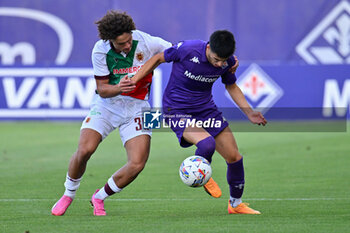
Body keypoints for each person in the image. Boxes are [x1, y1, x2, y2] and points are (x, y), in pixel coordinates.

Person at [51, 10, 172, 216]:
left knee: (138, 163)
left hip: (140, 107)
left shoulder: (147, 41)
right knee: (85, 150)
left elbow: (178, 51)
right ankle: (68, 194)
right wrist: (120, 88)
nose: (126, 45)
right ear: (110, 40)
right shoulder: (100, 50)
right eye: (121, 43)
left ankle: (99, 197)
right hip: (106, 105)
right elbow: (102, 89)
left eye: (128, 40)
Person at [132, 30, 267, 214]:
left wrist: (249, 113)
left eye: (223, 60)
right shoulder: (187, 49)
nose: (219, 64)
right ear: (209, 47)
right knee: (207, 143)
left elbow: (231, 85)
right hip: (176, 110)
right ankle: (203, 173)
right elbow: (157, 59)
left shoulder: (228, 62)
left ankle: (236, 204)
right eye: (216, 59)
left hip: (205, 110)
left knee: (234, 157)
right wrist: (134, 80)